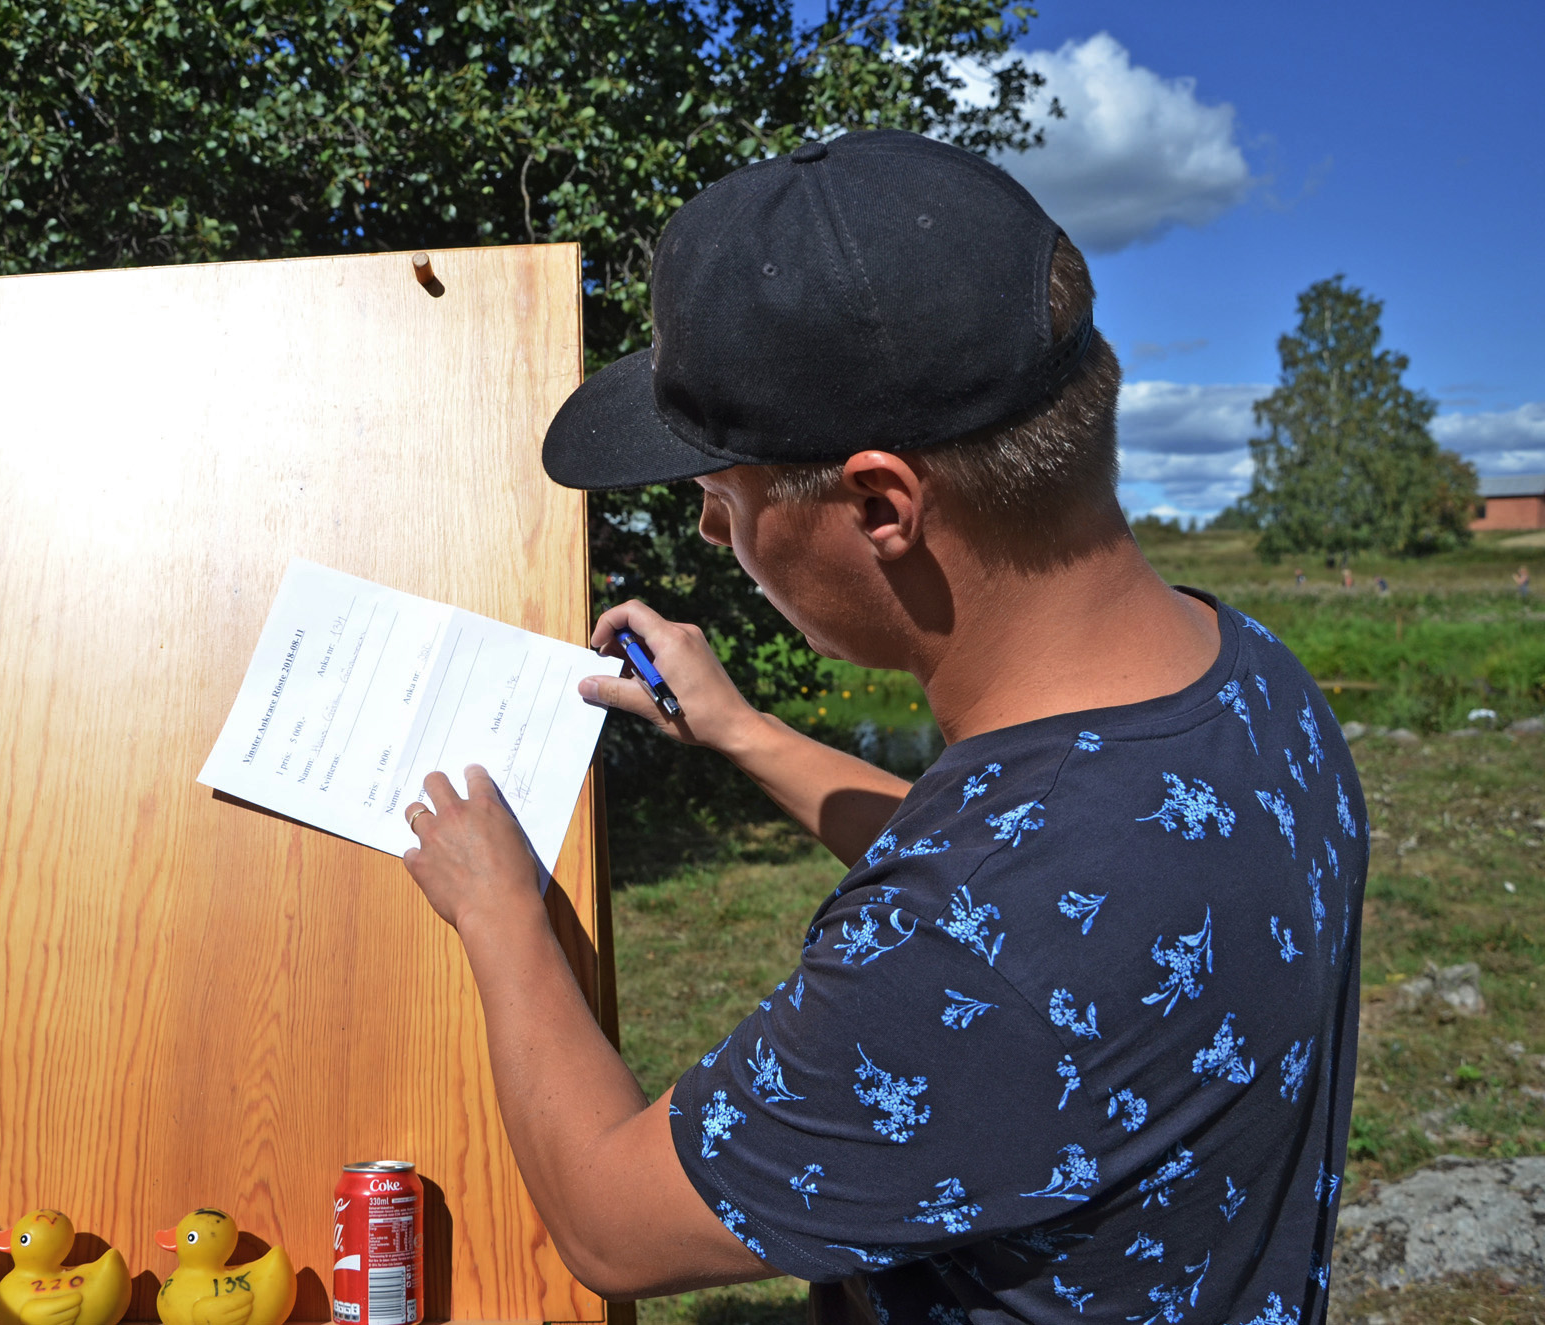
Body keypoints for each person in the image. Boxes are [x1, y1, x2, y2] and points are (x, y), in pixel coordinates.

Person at [396, 130, 1364, 1325]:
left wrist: (498, 909)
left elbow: (609, 1220)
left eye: (719, 496)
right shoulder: (1250, 680)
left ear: (877, 501)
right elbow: (1044, 886)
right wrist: (746, 732)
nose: (712, 537)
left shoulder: (975, 939)